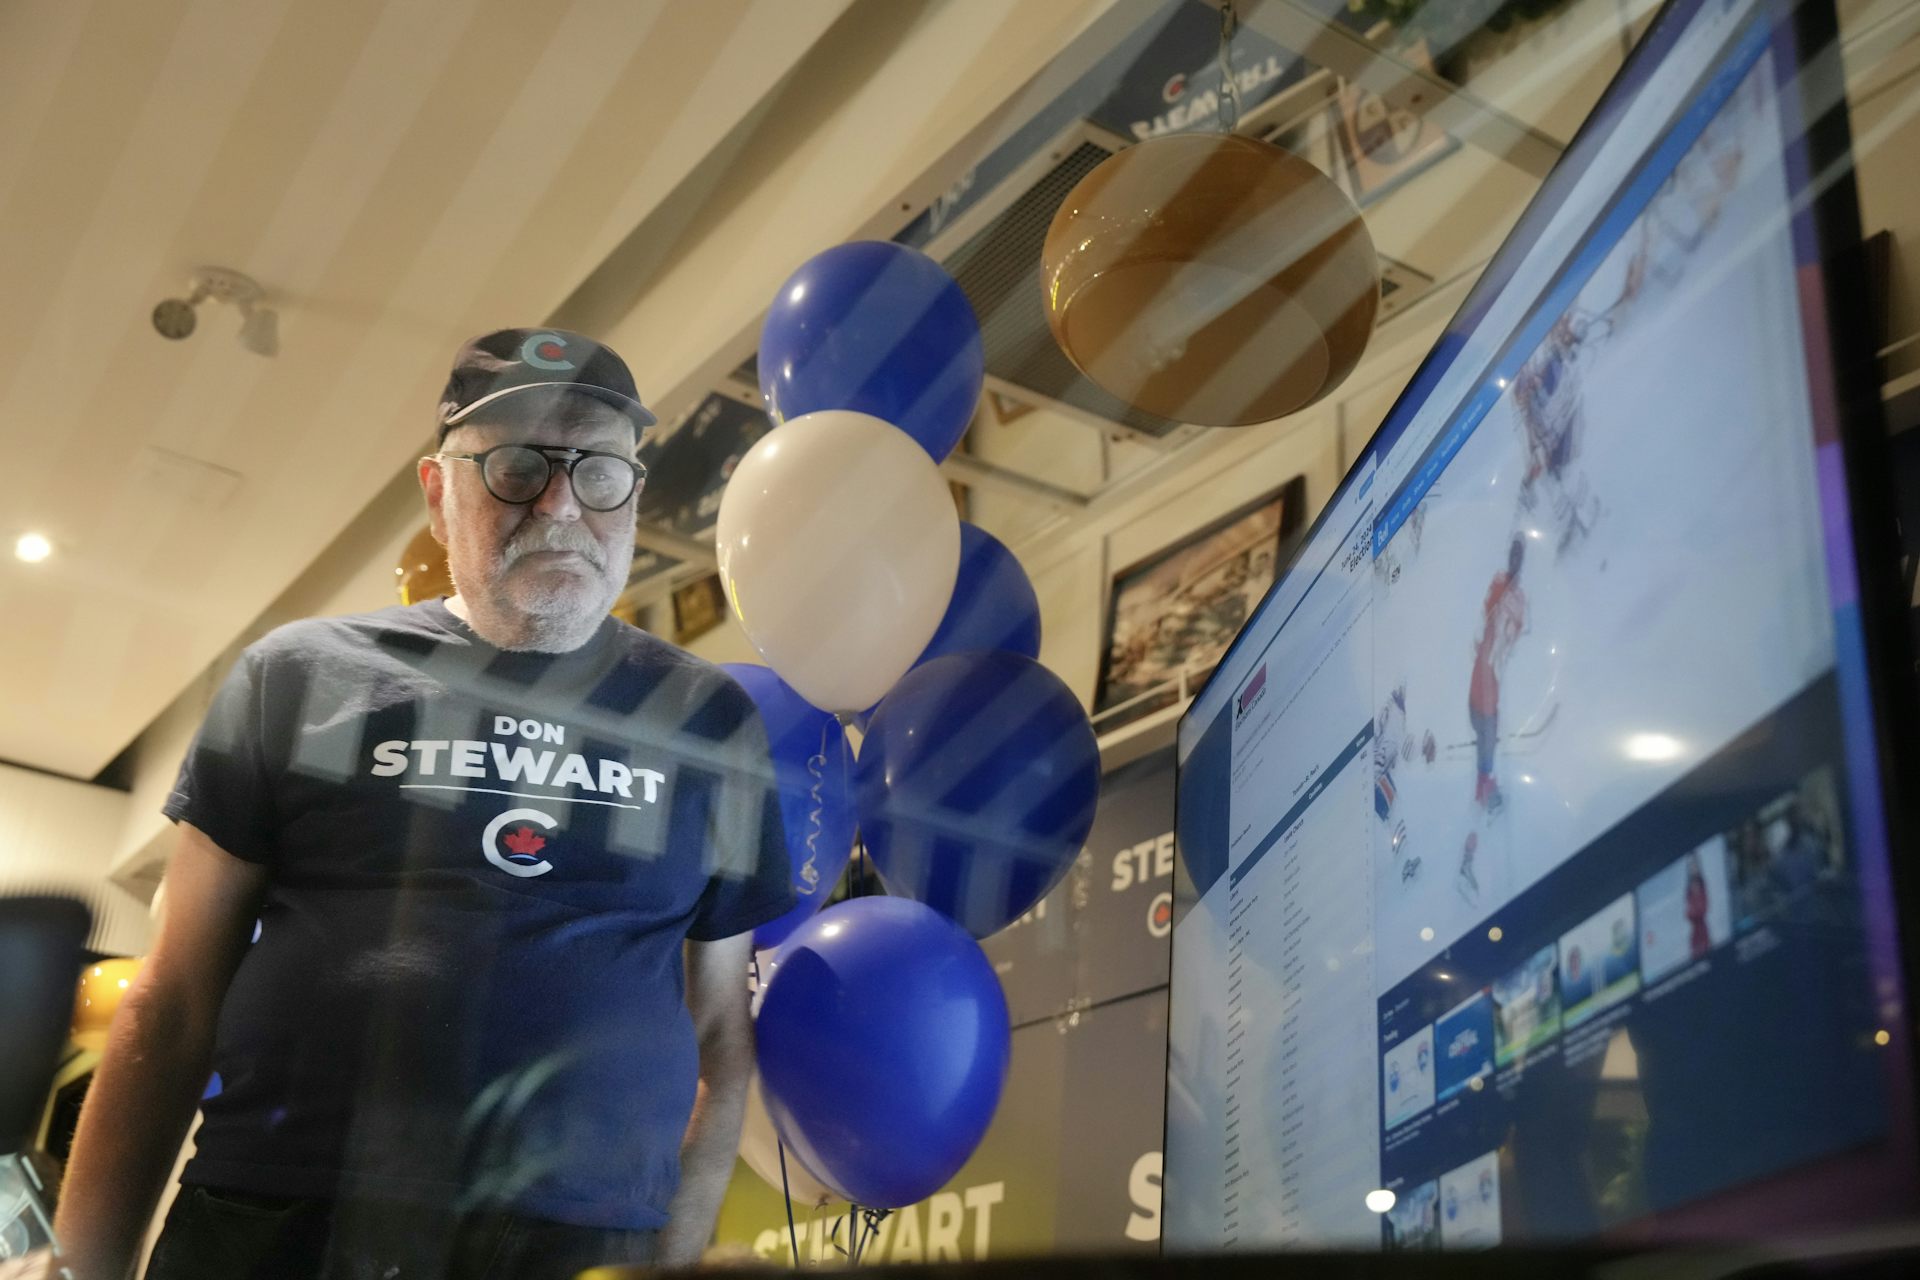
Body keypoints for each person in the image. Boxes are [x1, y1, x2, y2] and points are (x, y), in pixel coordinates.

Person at [55, 330, 795, 1280]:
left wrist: (672, 1260)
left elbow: (719, 1036)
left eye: (599, 469)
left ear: (636, 496)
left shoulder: (708, 719)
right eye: (517, 466)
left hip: (580, 1246)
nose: (561, 503)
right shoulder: (302, 675)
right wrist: (82, 1271)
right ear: (440, 496)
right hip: (282, 1230)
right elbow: (170, 1001)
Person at [1467, 537, 1529, 815]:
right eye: (1513, 556)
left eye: (1519, 557)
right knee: (1487, 728)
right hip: (1483, 683)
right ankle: (1484, 787)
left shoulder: (1516, 598)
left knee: (1488, 728)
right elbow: (1488, 619)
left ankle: (1484, 773)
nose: (1515, 562)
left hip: (1490, 676)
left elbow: (1513, 634)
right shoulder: (1503, 588)